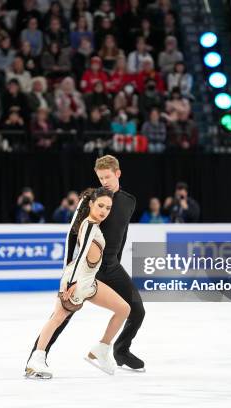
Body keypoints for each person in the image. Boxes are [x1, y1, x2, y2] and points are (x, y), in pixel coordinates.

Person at [27, 155, 146, 372]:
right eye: (100, 178)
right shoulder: (93, 198)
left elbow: (122, 233)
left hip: (113, 265)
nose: (104, 182)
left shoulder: (129, 201)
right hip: (90, 268)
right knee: (65, 312)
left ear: (117, 173)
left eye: (107, 177)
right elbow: (72, 235)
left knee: (136, 310)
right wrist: (68, 272)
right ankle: (36, 356)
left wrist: (117, 263)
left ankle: (120, 350)